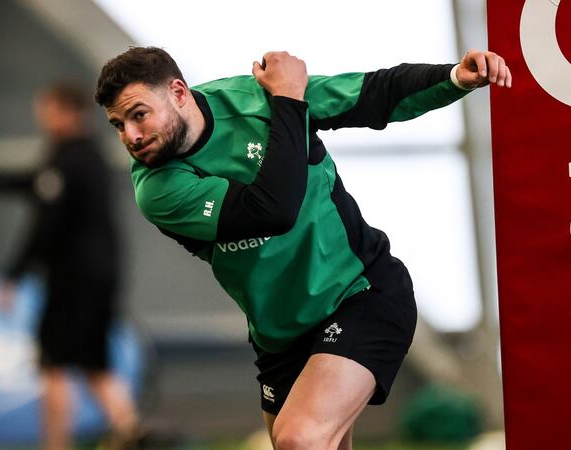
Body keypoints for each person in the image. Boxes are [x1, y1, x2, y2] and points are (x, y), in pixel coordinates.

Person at [94, 47, 510, 450]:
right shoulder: (158, 190)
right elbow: (271, 212)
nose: (130, 135)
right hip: (280, 337)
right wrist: (290, 100)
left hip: (359, 294)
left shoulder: (252, 99)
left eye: (139, 115)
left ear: (179, 93)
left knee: (300, 438)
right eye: (118, 124)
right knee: (305, 441)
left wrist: (455, 77)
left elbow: (371, 94)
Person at [0, 82, 140, 450]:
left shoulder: (71, 159)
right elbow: (34, 183)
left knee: (54, 365)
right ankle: (133, 434)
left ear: (69, 112)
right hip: (98, 277)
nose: (43, 118)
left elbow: (46, 222)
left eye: (48, 110)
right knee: (95, 366)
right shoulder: (80, 157)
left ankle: (56, 445)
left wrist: (13, 275)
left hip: (75, 281)